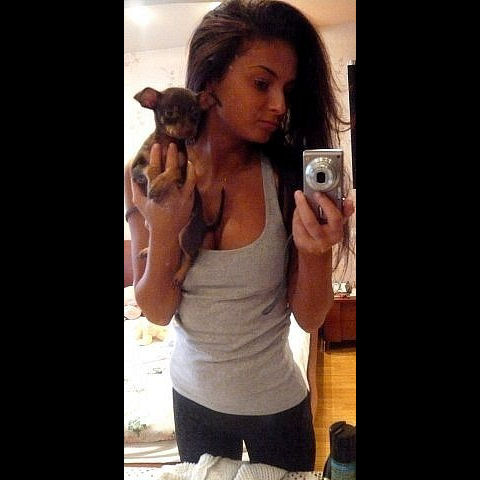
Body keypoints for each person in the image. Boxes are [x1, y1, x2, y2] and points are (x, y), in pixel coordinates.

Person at [124, 0, 354, 471]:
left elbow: (310, 318)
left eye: (287, 89)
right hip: (191, 399)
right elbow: (157, 310)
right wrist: (163, 228)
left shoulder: (284, 179)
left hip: (276, 404)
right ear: (210, 82)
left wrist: (316, 250)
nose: (280, 105)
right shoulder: (150, 174)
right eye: (261, 83)